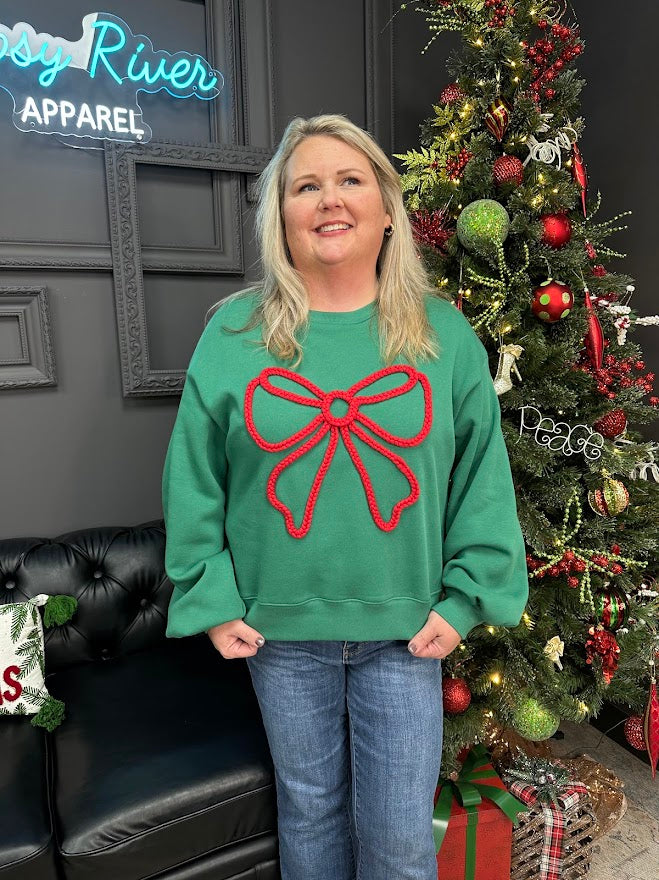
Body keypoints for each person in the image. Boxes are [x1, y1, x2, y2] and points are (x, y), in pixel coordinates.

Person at [161, 114, 529, 880]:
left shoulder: (442, 337)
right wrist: (211, 595)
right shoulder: (234, 334)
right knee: (310, 821)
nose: (329, 198)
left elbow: (480, 483)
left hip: (406, 636)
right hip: (279, 639)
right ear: (281, 219)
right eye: (306, 185)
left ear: (387, 208)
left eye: (350, 179)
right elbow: (194, 477)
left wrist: (463, 600)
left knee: (398, 844)